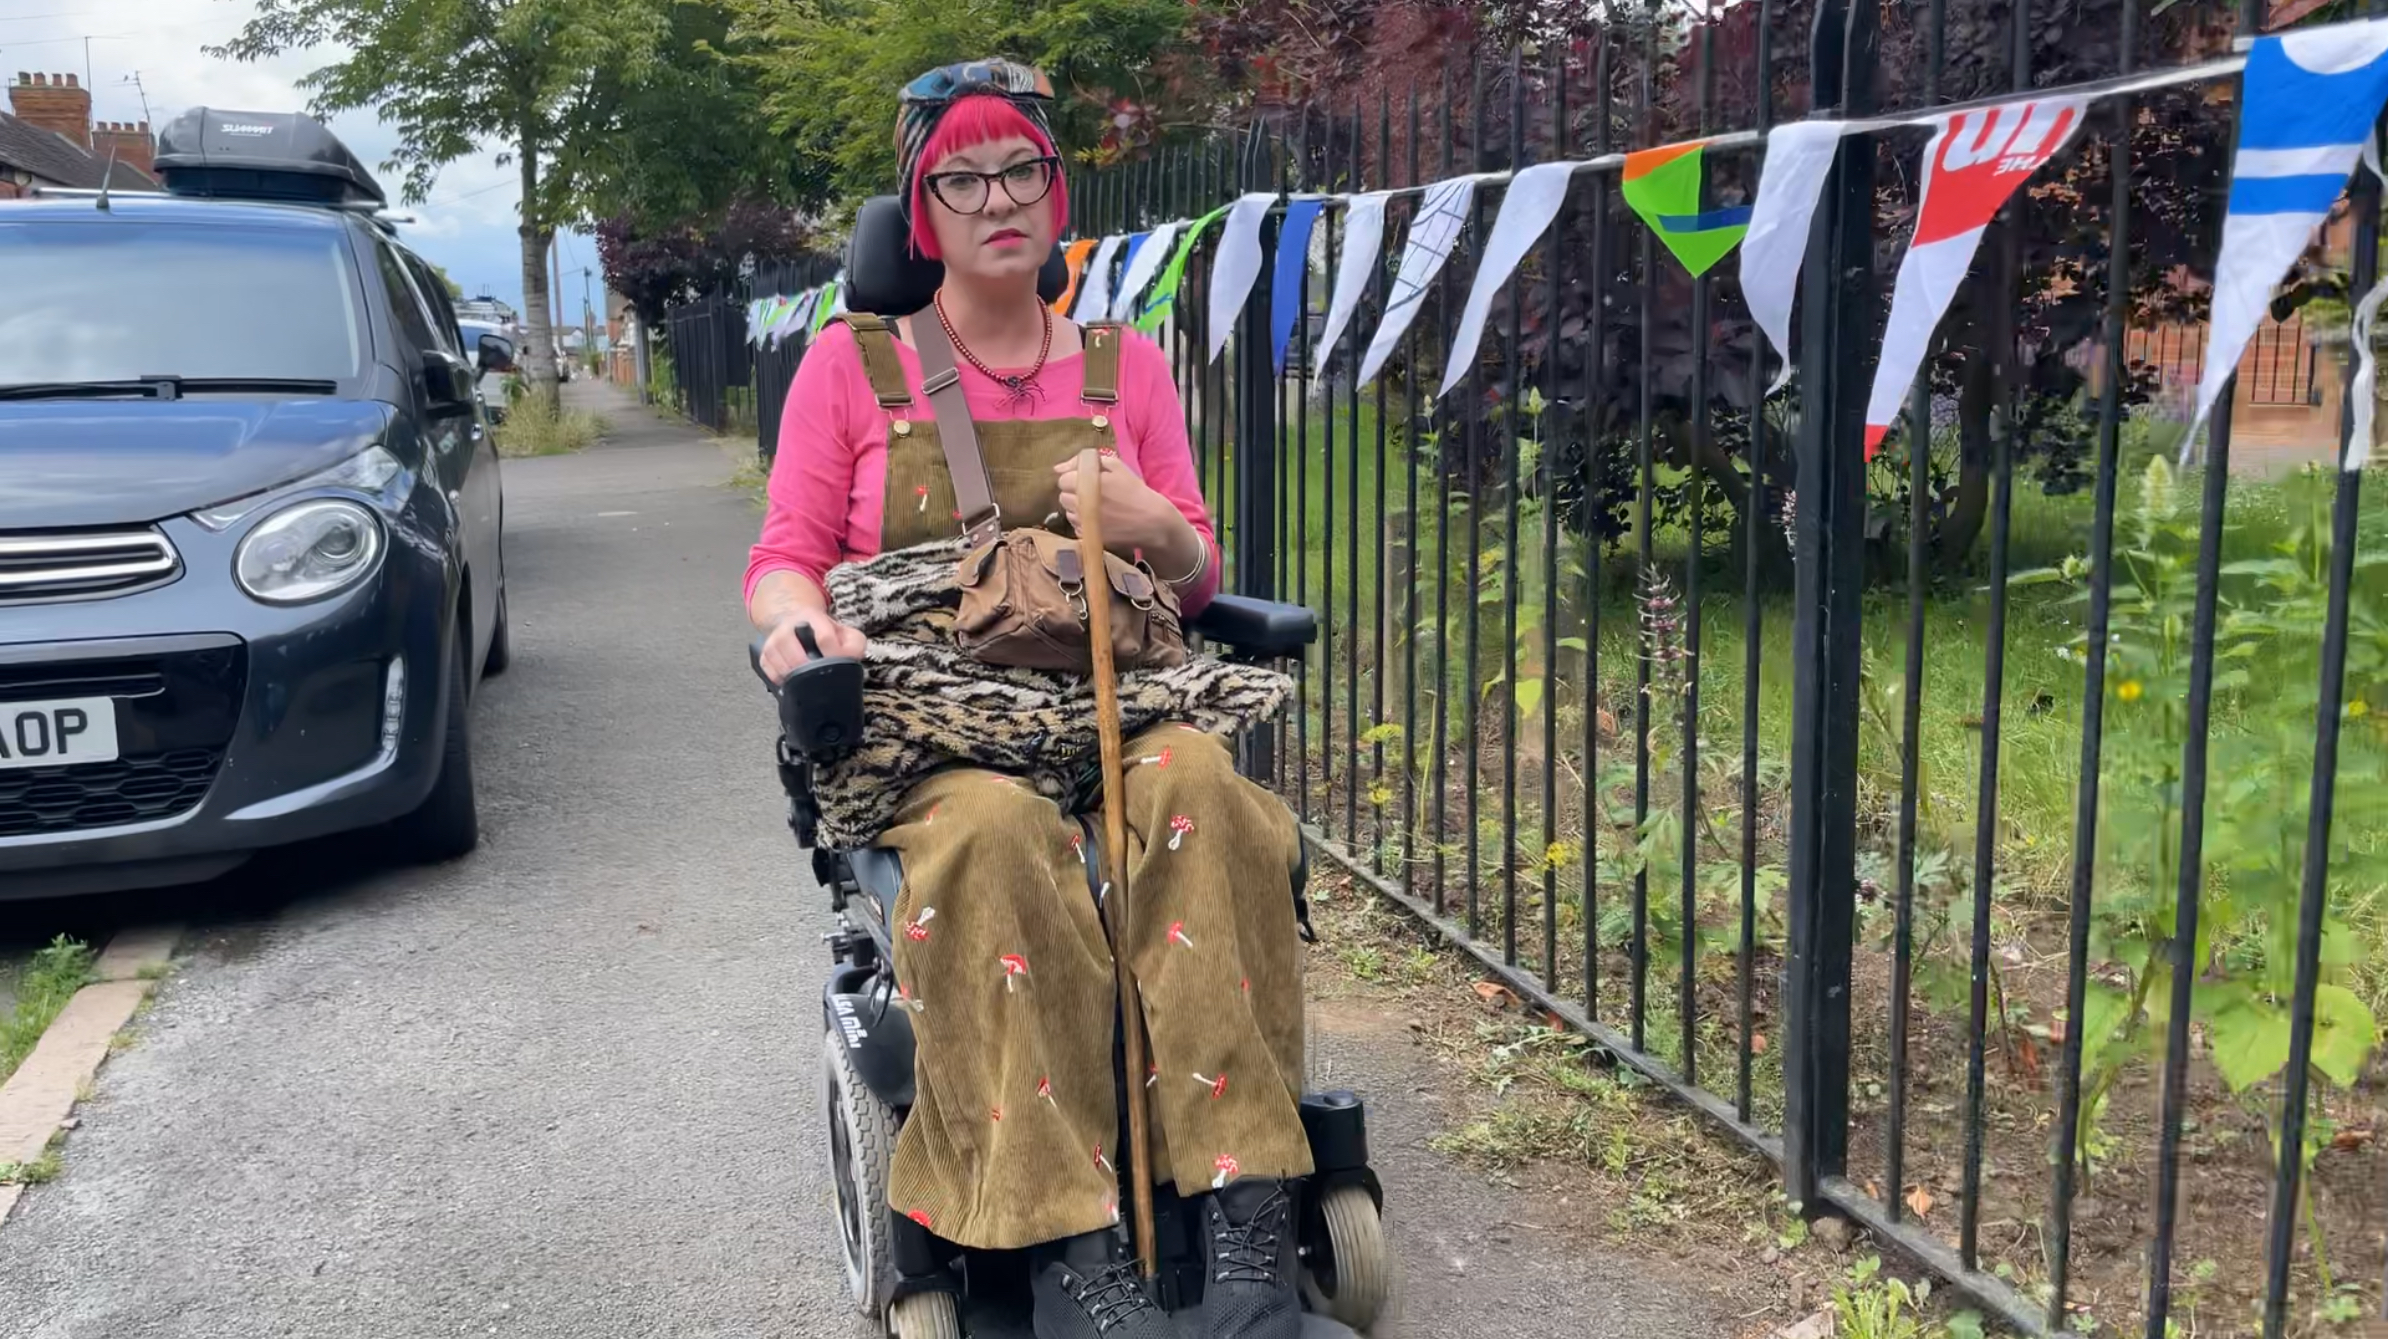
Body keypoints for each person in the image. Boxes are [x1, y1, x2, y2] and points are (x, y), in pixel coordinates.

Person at [743, 59, 1312, 1339]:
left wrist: (1158, 524)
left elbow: (1195, 572)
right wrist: (794, 622)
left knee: (1207, 790)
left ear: (1057, 199)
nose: (997, 198)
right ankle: (1069, 1243)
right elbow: (785, 554)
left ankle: (1245, 1206)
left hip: (1119, 703)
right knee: (998, 833)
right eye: (963, 177)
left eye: (1022, 171)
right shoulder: (851, 369)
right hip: (933, 731)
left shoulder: (1128, 368)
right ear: (919, 210)